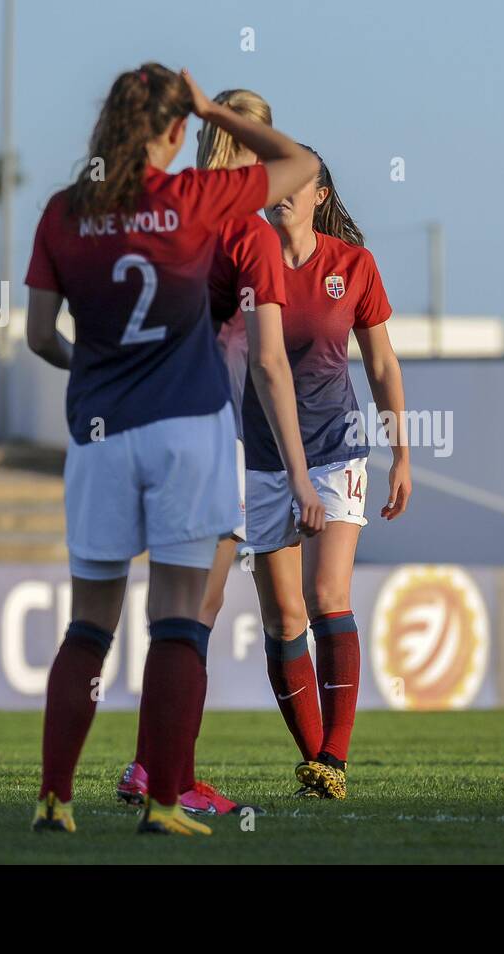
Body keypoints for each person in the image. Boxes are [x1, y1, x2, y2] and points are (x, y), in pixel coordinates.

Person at [25, 63, 317, 834]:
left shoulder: (64, 211)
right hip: (189, 430)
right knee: (179, 619)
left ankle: (56, 798)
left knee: (89, 624)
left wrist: (92, 364)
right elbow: (302, 166)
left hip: (98, 434)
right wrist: (216, 106)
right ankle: (161, 800)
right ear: (179, 129)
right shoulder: (194, 198)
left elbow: (35, 336)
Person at [115, 88, 326, 813]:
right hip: (213, 438)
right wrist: (299, 476)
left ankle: (150, 765)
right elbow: (268, 364)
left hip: (147, 430)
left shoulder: (167, 219)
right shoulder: (248, 233)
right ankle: (172, 777)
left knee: (176, 608)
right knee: (193, 617)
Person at [249, 147, 411, 799]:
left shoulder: (353, 266)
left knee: (325, 597)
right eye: (274, 180)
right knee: (283, 617)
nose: (281, 191)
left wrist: (401, 452)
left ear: (321, 195)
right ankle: (314, 758)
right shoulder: (244, 259)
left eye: (297, 183)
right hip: (260, 454)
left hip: (338, 447)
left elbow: (381, 365)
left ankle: (334, 760)